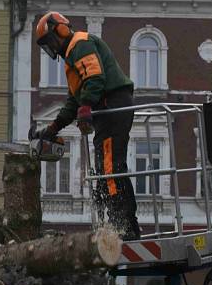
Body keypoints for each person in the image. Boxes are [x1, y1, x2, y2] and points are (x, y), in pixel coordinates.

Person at [33, 12, 140, 240]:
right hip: (107, 110)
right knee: (106, 168)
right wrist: (53, 128)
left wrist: (86, 108)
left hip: (113, 105)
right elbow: (75, 99)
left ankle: (124, 225)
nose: (52, 47)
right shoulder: (72, 57)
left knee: (110, 168)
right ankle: (118, 222)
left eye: (51, 41)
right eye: (47, 45)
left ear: (61, 30)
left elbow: (95, 78)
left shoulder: (79, 43)